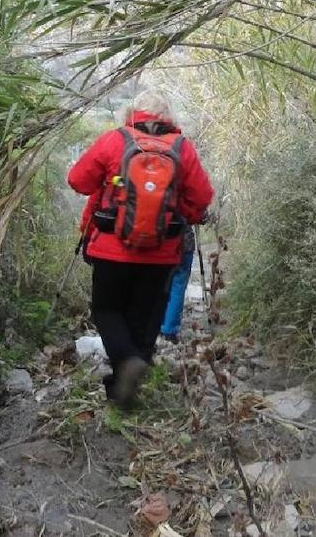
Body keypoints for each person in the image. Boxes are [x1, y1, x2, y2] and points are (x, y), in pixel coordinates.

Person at [67, 91, 214, 408]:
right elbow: (202, 199)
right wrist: (179, 209)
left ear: (132, 113)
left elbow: (78, 181)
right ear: (169, 118)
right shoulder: (181, 148)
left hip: (111, 249)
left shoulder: (114, 140)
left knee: (108, 310)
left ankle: (126, 369)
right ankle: (128, 384)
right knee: (144, 318)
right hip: (162, 253)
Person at [159, 224, 196, 344]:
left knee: (161, 285)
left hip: (161, 245)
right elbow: (199, 215)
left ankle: (158, 322)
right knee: (178, 287)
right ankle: (169, 329)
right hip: (184, 245)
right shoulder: (186, 204)